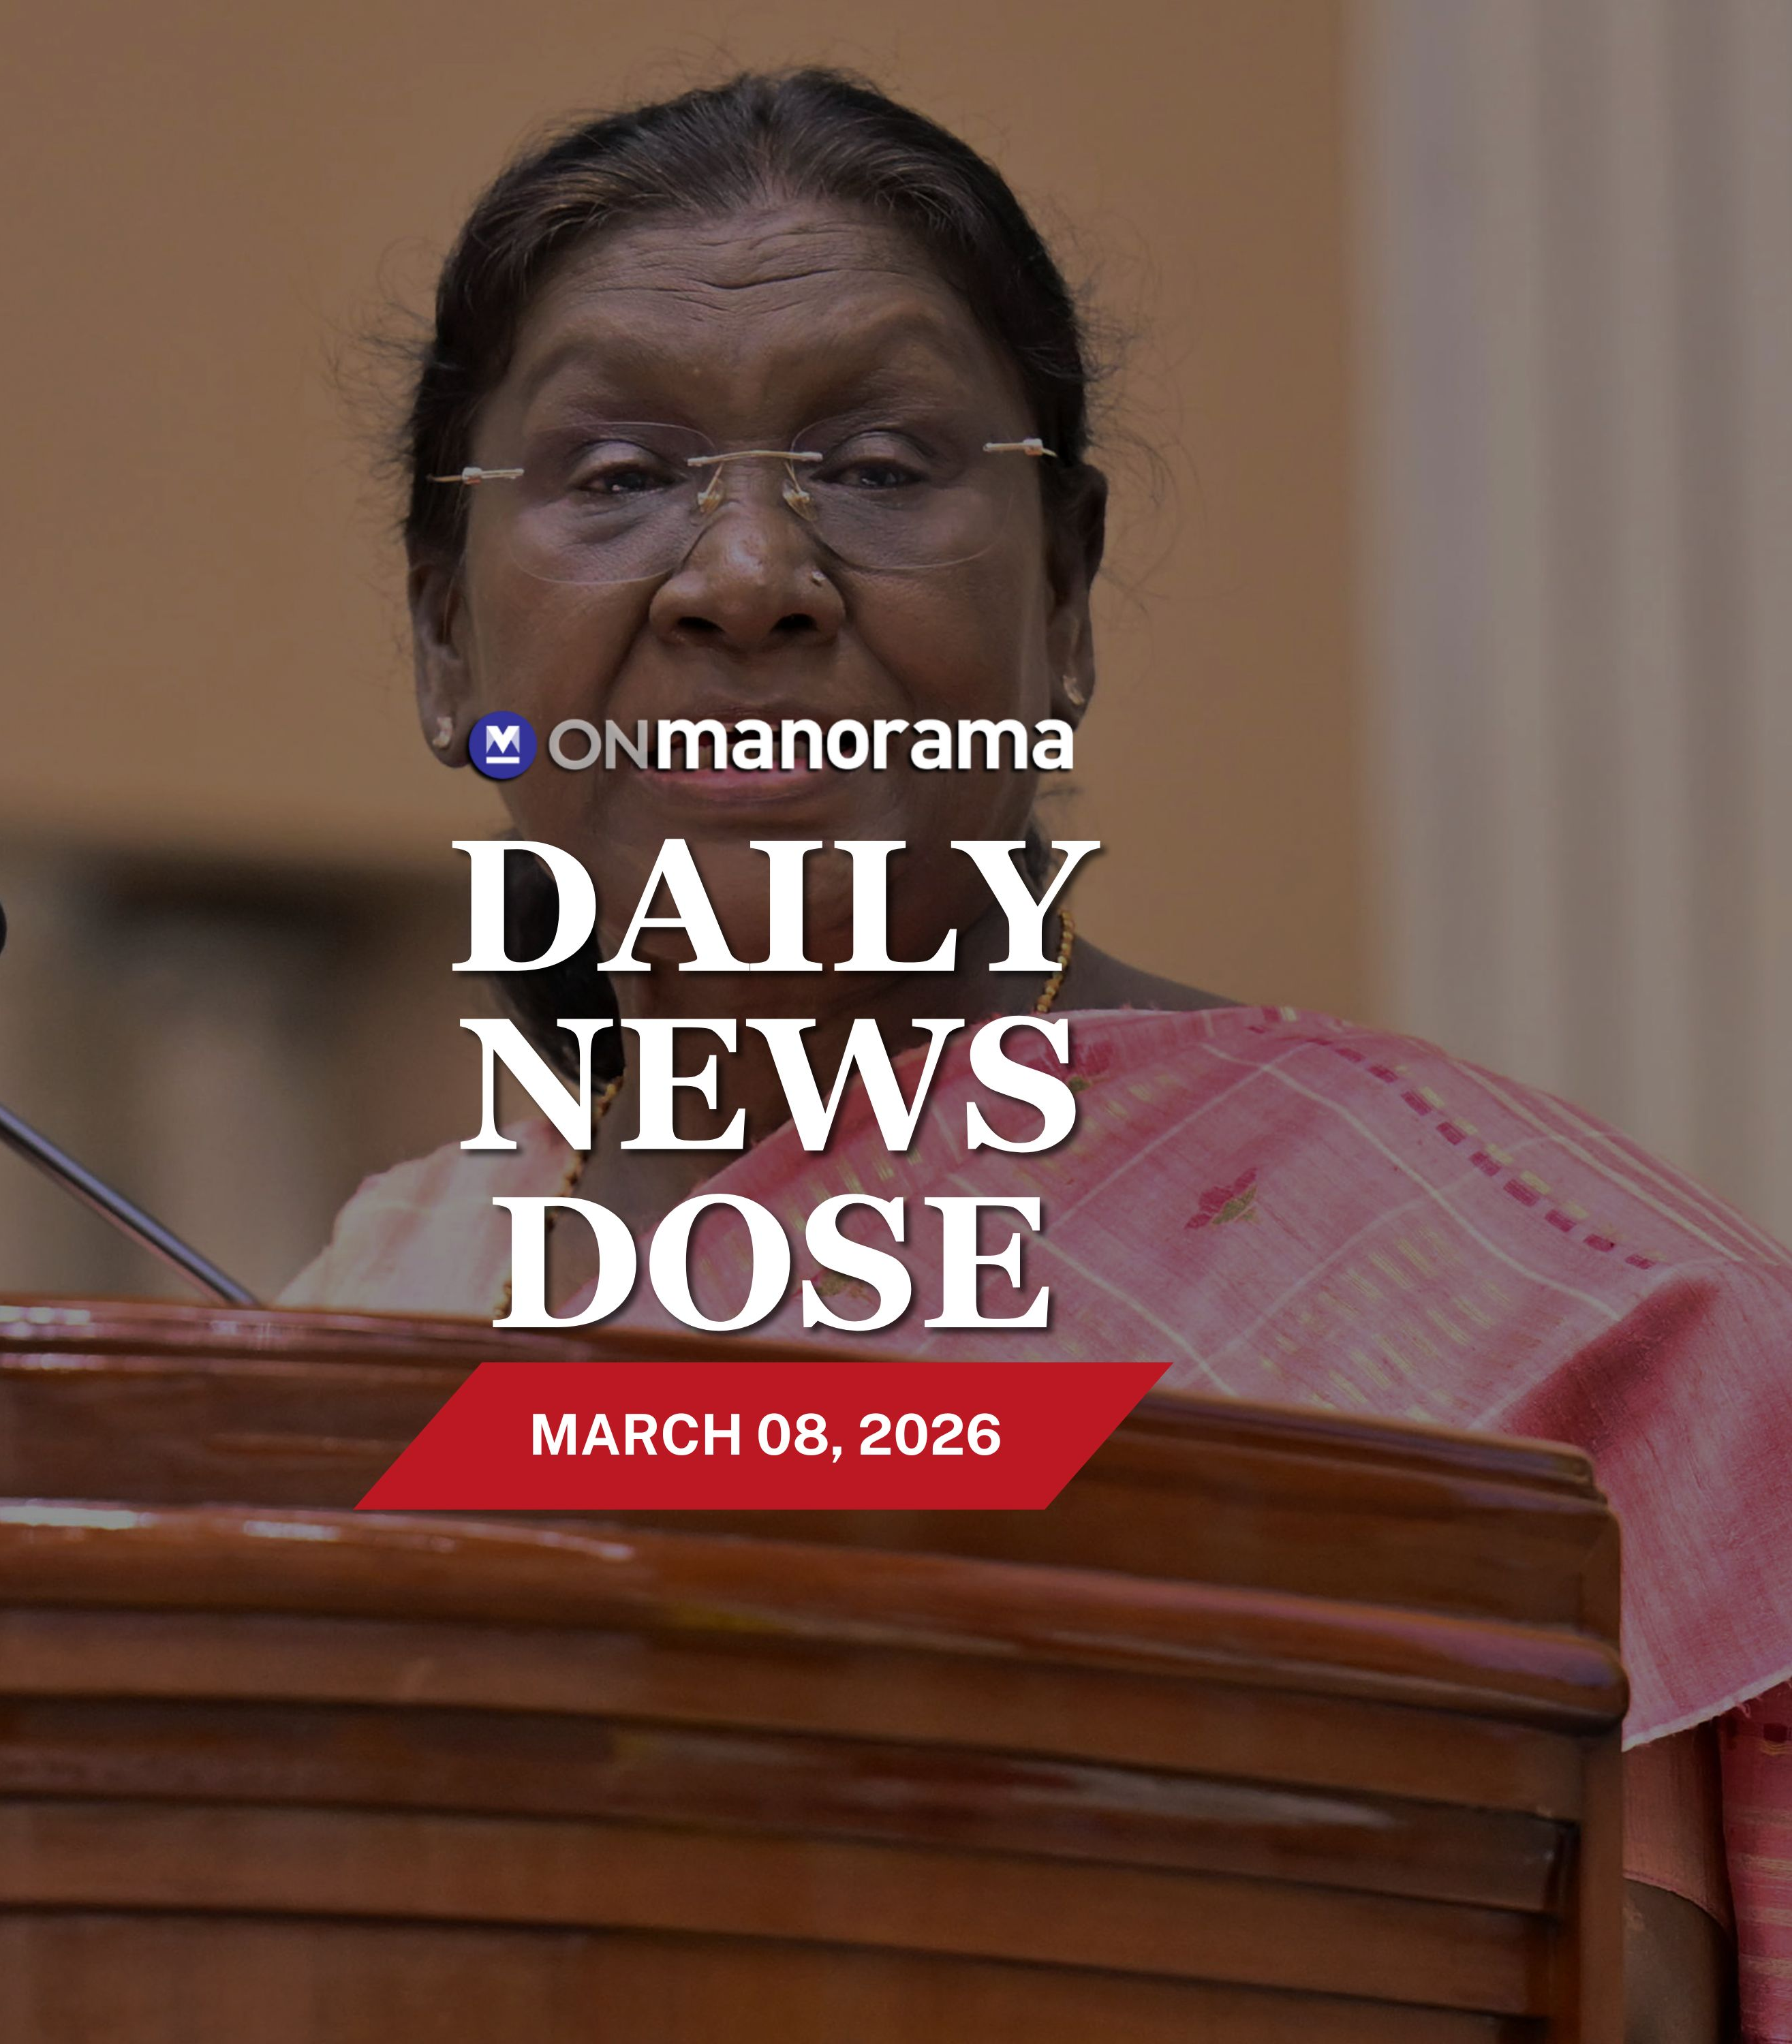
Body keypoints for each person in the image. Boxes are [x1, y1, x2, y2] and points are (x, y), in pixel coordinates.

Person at [283, 69, 1789, 2039]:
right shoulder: (372, 1315)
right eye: (621, 474)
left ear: (1063, 598)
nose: (746, 577)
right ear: (445, 641)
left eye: (880, 467)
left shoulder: (1518, 1325)